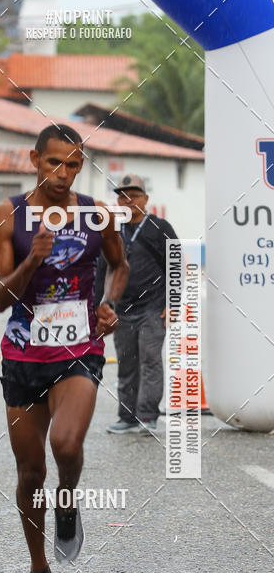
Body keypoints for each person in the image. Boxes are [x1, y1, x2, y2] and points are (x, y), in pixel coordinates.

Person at [0, 124, 129, 573]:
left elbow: (120, 265)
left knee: (66, 445)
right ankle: (38, 569)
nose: (63, 173)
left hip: (79, 348)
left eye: (73, 164)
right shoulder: (10, 214)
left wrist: (109, 303)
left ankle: (67, 500)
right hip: (23, 354)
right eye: (54, 162)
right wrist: (33, 261)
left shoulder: (96, 214)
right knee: (30, 473)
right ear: (34, 159)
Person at [97, 173, 179, 435]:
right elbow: (102, 270)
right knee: (127, 362)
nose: (128, 200)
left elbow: (176, 266)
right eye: (123, 196)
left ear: (146, 199)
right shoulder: (112, 230)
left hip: (153, 308)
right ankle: (127, 416)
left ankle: (147, 416)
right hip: (122, 309)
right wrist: (99, 306)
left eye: (134, 196)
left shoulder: (160, 227)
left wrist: (173, 302)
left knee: (150, 359)